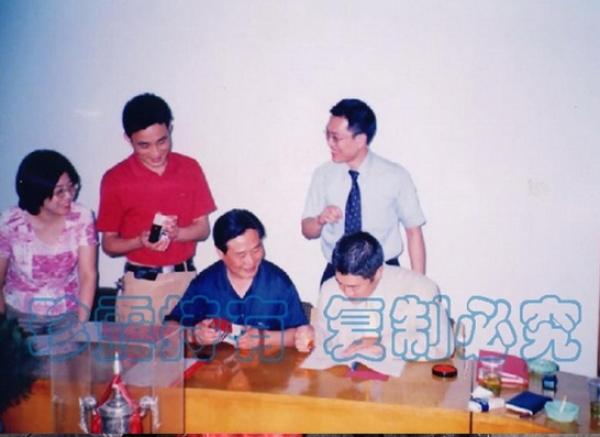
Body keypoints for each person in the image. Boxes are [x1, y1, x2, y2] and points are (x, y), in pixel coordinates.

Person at [96, 93, 216, 324]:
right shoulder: (115, 179)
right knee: (139, 348)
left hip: (186, 282)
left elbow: (202, 229)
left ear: (170, 129)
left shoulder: (189, 168)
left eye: (162, 141)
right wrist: (140, 241)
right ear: (128, 139)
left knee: (188, 347)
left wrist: (177, 233)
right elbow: (109, 245)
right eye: (144, 145)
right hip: (142, 286)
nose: (155, 153)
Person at [301, 98, 426, 285]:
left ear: (360, 140)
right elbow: (307, 231)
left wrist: (419, 285)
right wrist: (320, 220)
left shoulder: (395, 176)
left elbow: (414, 233)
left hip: (384, 273)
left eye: (336, 137)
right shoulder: (323, 175)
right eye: (327, 135)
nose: (329, 143)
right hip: (337, 274)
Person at [295, 232, 453, 361]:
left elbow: (442, 344)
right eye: (340, 283)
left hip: (401, 384)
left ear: (377, 273)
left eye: (354, 287)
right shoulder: (329, 289)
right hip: (346, 384)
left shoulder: (419, 288)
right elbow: (326, 334)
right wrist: (311, 335)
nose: (346, 292)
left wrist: (383, 344)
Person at [165, 209, 308, 350]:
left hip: (267, 363)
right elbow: (169, 326)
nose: (250, 261)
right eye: (241, 255)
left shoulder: (278, 283)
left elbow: (300, 333)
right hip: (216, 363)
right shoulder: (205, 284)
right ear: (221, 253)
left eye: (256, 249)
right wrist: (192, 335)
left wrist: (264, 338)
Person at [0, 149, 98, 332]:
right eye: (59, 192)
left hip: (67, 314)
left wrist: (81, 326)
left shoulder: (81, 217)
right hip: (20, 315)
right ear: (37, 192)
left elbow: (88, 275)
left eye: (71, 187)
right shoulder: (10, 221)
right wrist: (3, 326)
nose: (68, 196)